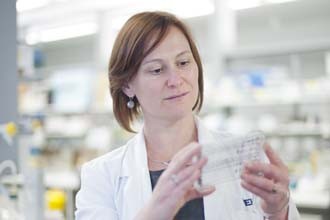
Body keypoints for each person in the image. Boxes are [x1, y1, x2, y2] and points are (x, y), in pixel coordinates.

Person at [75, 11, 300, 220]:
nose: (176, 80)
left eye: (183, 63)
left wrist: (279, 209)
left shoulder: (246, 156)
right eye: (156, 69)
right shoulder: (101, 176)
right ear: (126, 86)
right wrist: (156, 211)